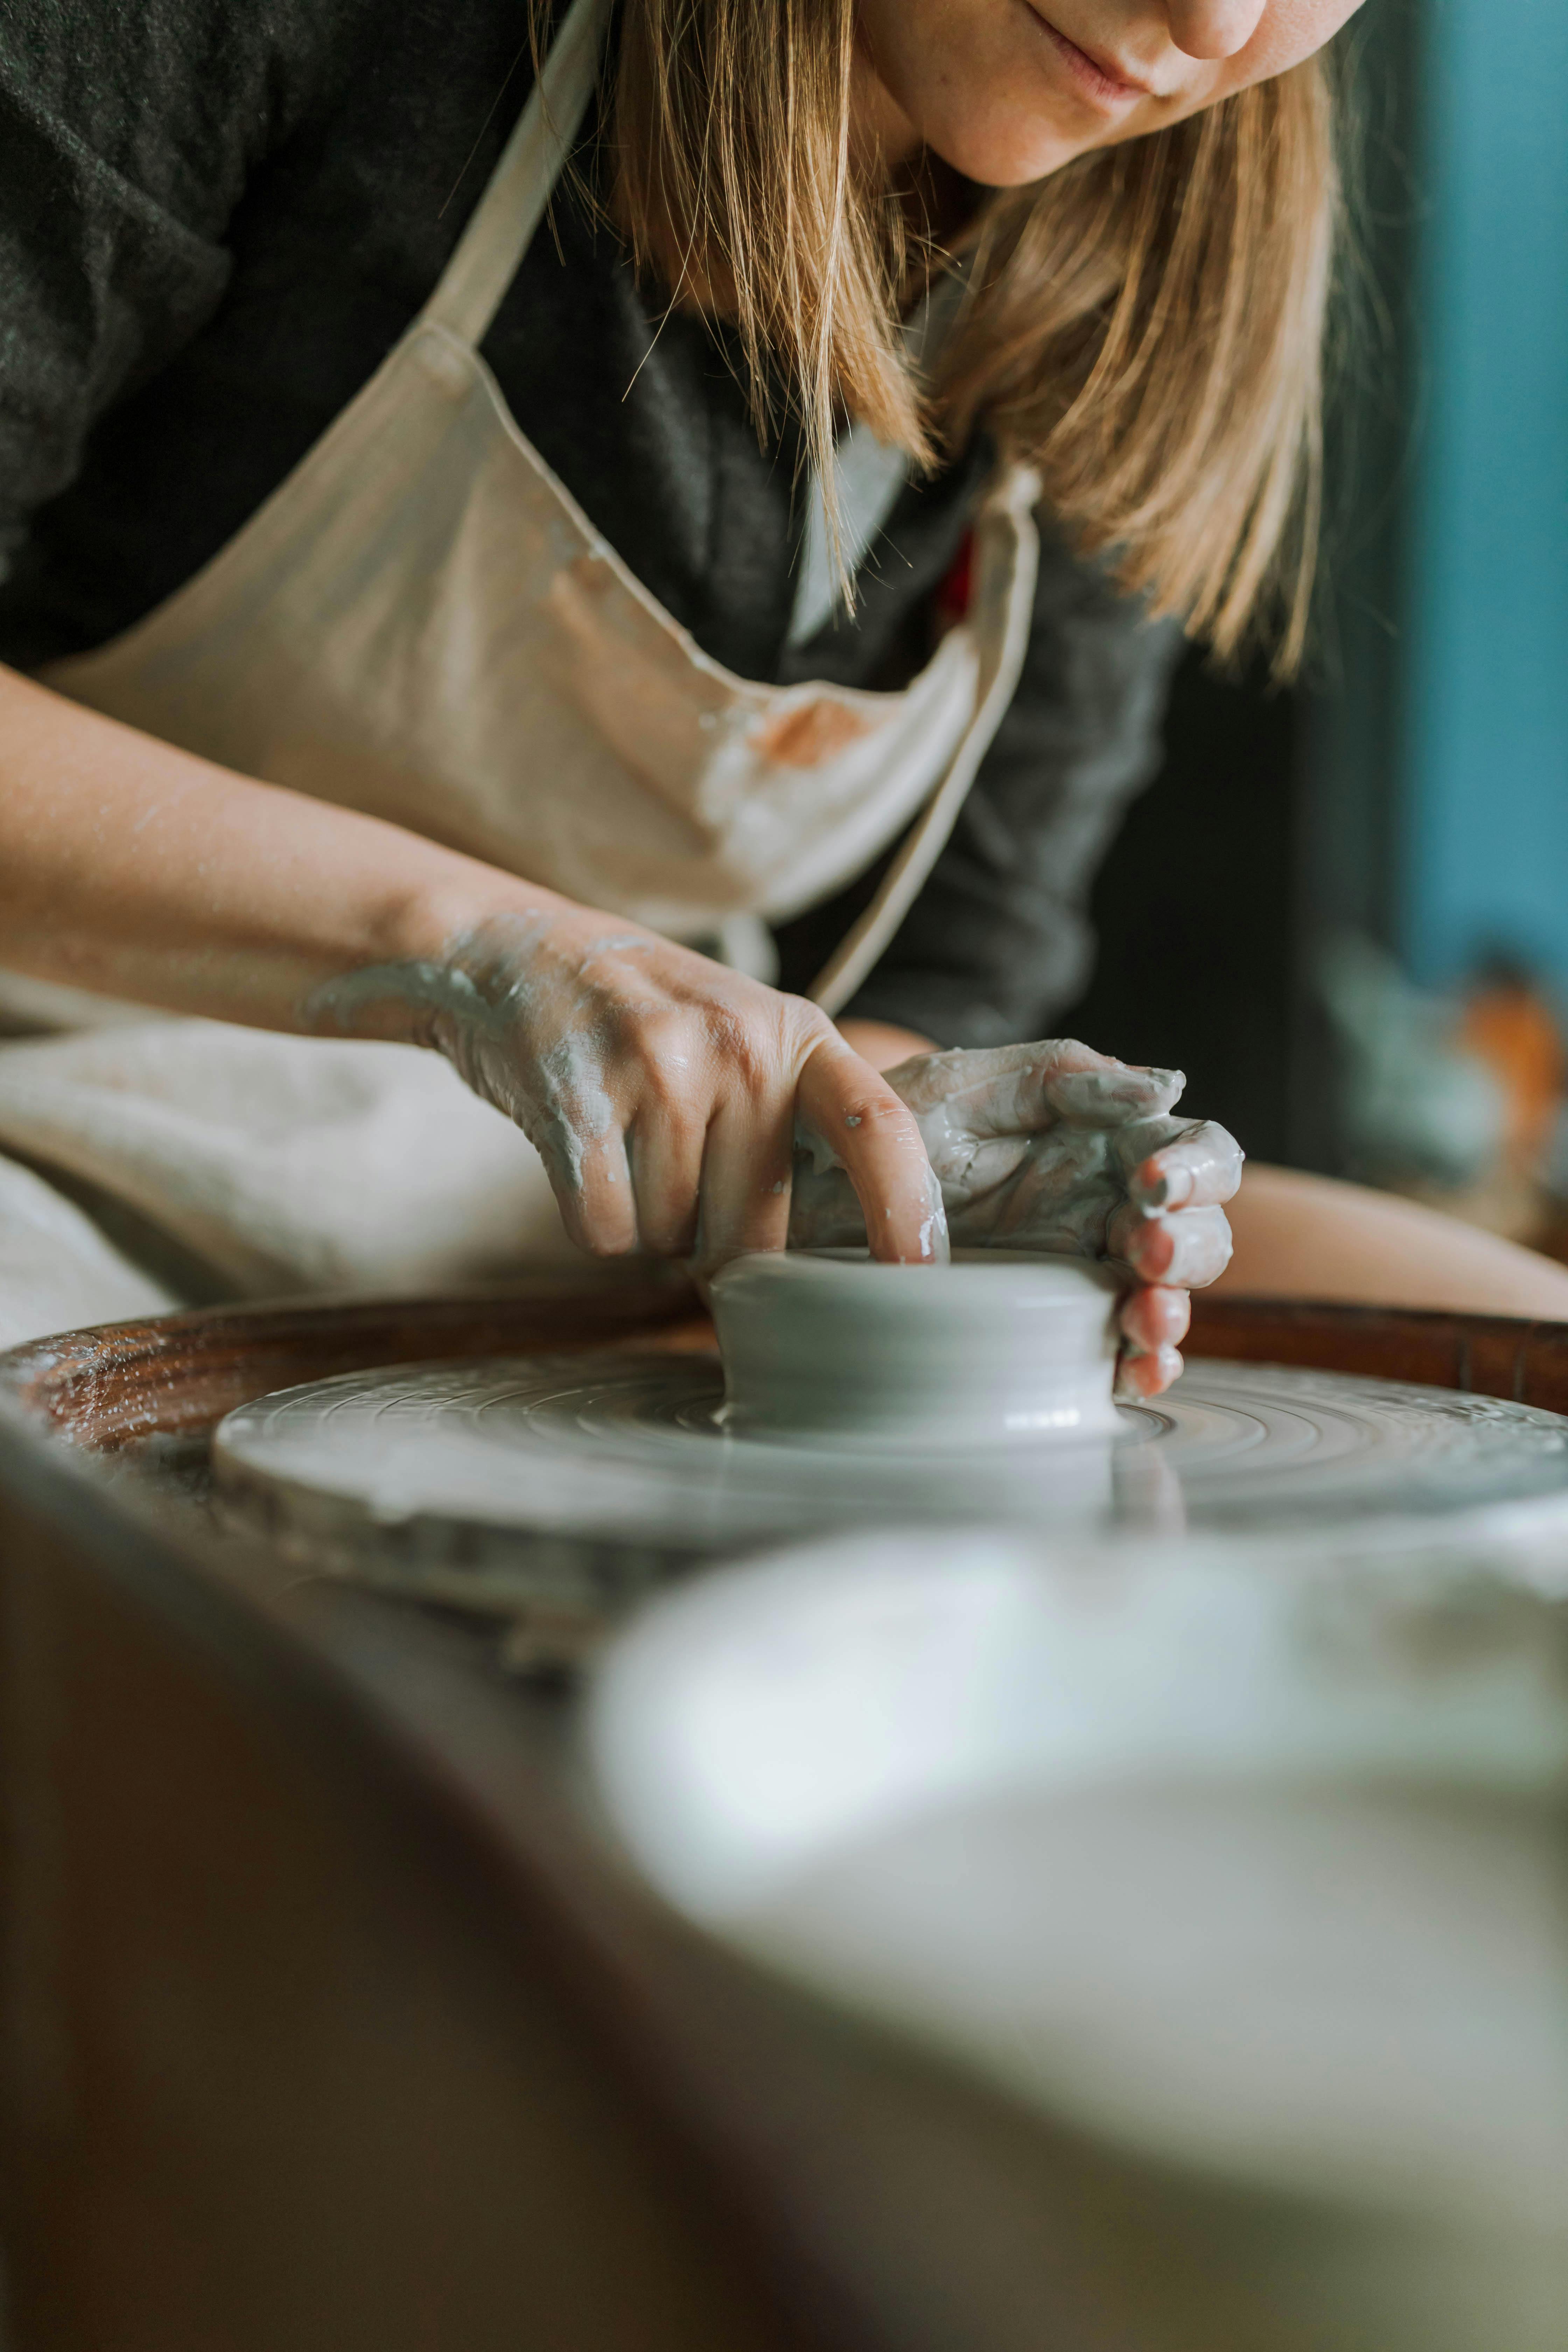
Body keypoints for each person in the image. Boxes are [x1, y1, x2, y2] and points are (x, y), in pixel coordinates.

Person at [4, 0, 1567, 1372]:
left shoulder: (1154, 257)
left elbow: (924, 999)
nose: (1216, 23)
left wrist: (922, 1156)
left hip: (575, 1246)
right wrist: (474, 947)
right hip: (55, 1136)